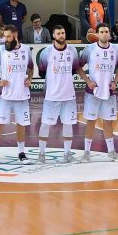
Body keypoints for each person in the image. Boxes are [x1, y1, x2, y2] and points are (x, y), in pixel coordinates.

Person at [79, 22, 118, 161]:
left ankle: (111, 151)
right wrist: (88, 81)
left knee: (108, 122)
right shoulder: (90, 49)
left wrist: (115, 81)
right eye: (102, 32)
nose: (105, 34)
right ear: (97, 34)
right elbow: (78, 67)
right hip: (92, 92)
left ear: (109, 34)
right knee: (91, 121)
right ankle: (86, 152)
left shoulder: (115, 49)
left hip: (109, 92)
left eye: (106, 32)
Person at [0, 25, 32, 164]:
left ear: (15, 35)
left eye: (8, 36)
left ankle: (21, 153)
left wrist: (30, 79)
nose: (6, 39)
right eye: (5, 36)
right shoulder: (1, 50)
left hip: (22, 95)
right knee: (0, 123)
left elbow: (31, 67)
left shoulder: (26, 49)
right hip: (5, 95)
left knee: (21, 124)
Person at [36, 25, 82, 164]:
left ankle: (67, 154)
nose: (61, 35)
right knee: (45, 124)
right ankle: (41, 155)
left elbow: (74, 69)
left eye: (63, 33)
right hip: (52, 95)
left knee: (68, 124)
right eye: (58, 33)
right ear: (53, 35)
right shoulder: (47, 52)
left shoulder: (72, 50)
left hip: (68, 95)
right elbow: (42, 72)